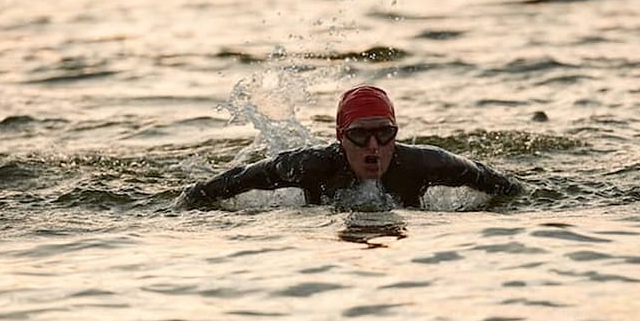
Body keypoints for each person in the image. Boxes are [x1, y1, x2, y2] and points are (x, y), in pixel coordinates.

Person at [174, 85, 523, 210]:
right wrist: (188, 206)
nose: (373, 146)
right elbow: (229, 182)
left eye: (384, 134)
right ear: (341, 137)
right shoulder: (310, 166)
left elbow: (508, 189)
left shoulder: (426, 163)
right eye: (360, 135)